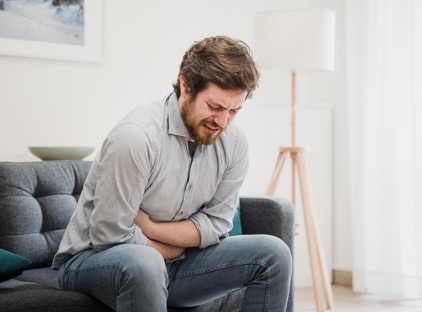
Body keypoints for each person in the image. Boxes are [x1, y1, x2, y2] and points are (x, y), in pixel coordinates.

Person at [52, 35, 292, 312]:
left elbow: (216, 225)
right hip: (91, 262)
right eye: (214, 107)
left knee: (274, 254)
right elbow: (109, 236)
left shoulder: (234, 143)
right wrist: (174, 248)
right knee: (146, 263)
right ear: (185, 86)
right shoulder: (136, 137)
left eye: (234, 110)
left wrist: (152, 228)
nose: (222, 121)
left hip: (172, 266)